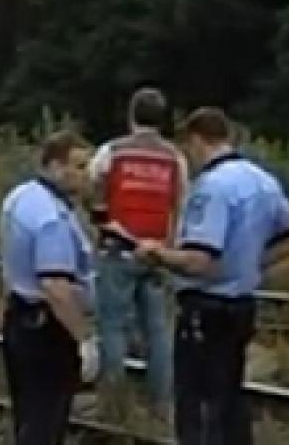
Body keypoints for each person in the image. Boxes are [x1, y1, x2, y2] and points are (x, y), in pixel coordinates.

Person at [134, 107, 289, 445]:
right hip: (242, 305)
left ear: (196, 140)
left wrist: (156, 254)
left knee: (197, 404)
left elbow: (199, 260)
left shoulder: (211, 188)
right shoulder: (263, 181)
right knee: (229, 397)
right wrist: (252, 264)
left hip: (204, 309)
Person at [0, 130, 101, 445]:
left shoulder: (20, 197)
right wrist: (83, 339)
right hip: (48, 330)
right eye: (80, 167)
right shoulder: (51, 218)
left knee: (29, 416)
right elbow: (56, 286)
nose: (88, 176)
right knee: (47, 419)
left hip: (19, 317)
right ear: (56, 167)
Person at [88, 87, 186, 413]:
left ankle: (114, 402)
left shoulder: (112, 152)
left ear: (131, 115)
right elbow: (181, 203)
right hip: (158, 252)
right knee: (158, 331)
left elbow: (94, 191)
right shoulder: (175, 158)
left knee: (112, 326)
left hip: (117, 248)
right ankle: (161, 404)